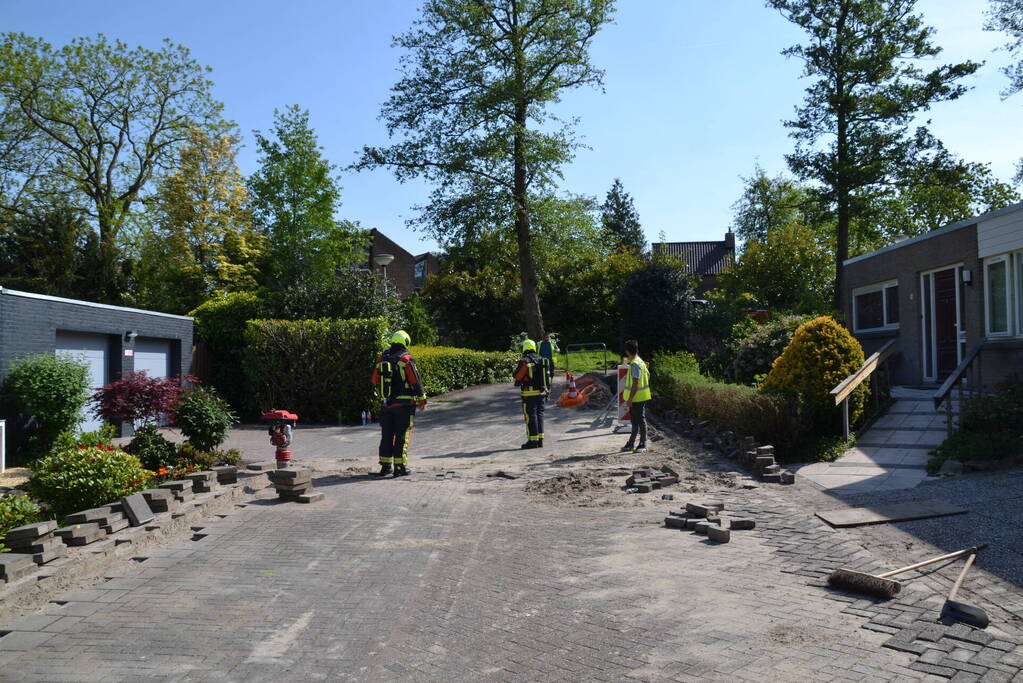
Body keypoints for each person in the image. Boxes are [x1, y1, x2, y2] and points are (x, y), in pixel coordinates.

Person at [371, 330, 426, 477]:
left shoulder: (382, 358)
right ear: (406, 342)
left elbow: (374, 380)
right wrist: (422, 400)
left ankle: (385, 467)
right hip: (404, 405)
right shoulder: (406, 359)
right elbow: (415, 381)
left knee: (387, 435)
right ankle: (400, 468)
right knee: (402, 435)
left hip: (386, 405)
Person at [514, 338, 552, 449]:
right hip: (541, 393)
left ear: (524, 348)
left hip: (529, 394)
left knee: (531, 416)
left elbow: (517, 376)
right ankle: (540, 440)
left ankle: (532, 441)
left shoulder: (525, 361)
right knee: (540, 415)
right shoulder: (542, 360)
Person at [621, 339, 651, 453]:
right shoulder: (640, 361)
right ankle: (631, 443)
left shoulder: (634, 364)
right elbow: (648, 375)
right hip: (640, 396)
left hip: (636, 398)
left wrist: (630, 399)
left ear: (627, 351)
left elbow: (635, 382)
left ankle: (643, 443)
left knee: (640, 420)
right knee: (635, 421)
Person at [538, 333, 559, 402]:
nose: (546, 338)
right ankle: (543, 390)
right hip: (541, 362)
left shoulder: (552, 343)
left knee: (550, 375)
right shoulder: (539, 343)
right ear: (543, 337)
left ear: (549, 337)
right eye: (545, 337)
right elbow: (535, 351)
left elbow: (558, 349)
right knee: (542, 376)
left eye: (547, 337)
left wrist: (557, 350)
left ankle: (549, 389)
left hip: (550, 361)